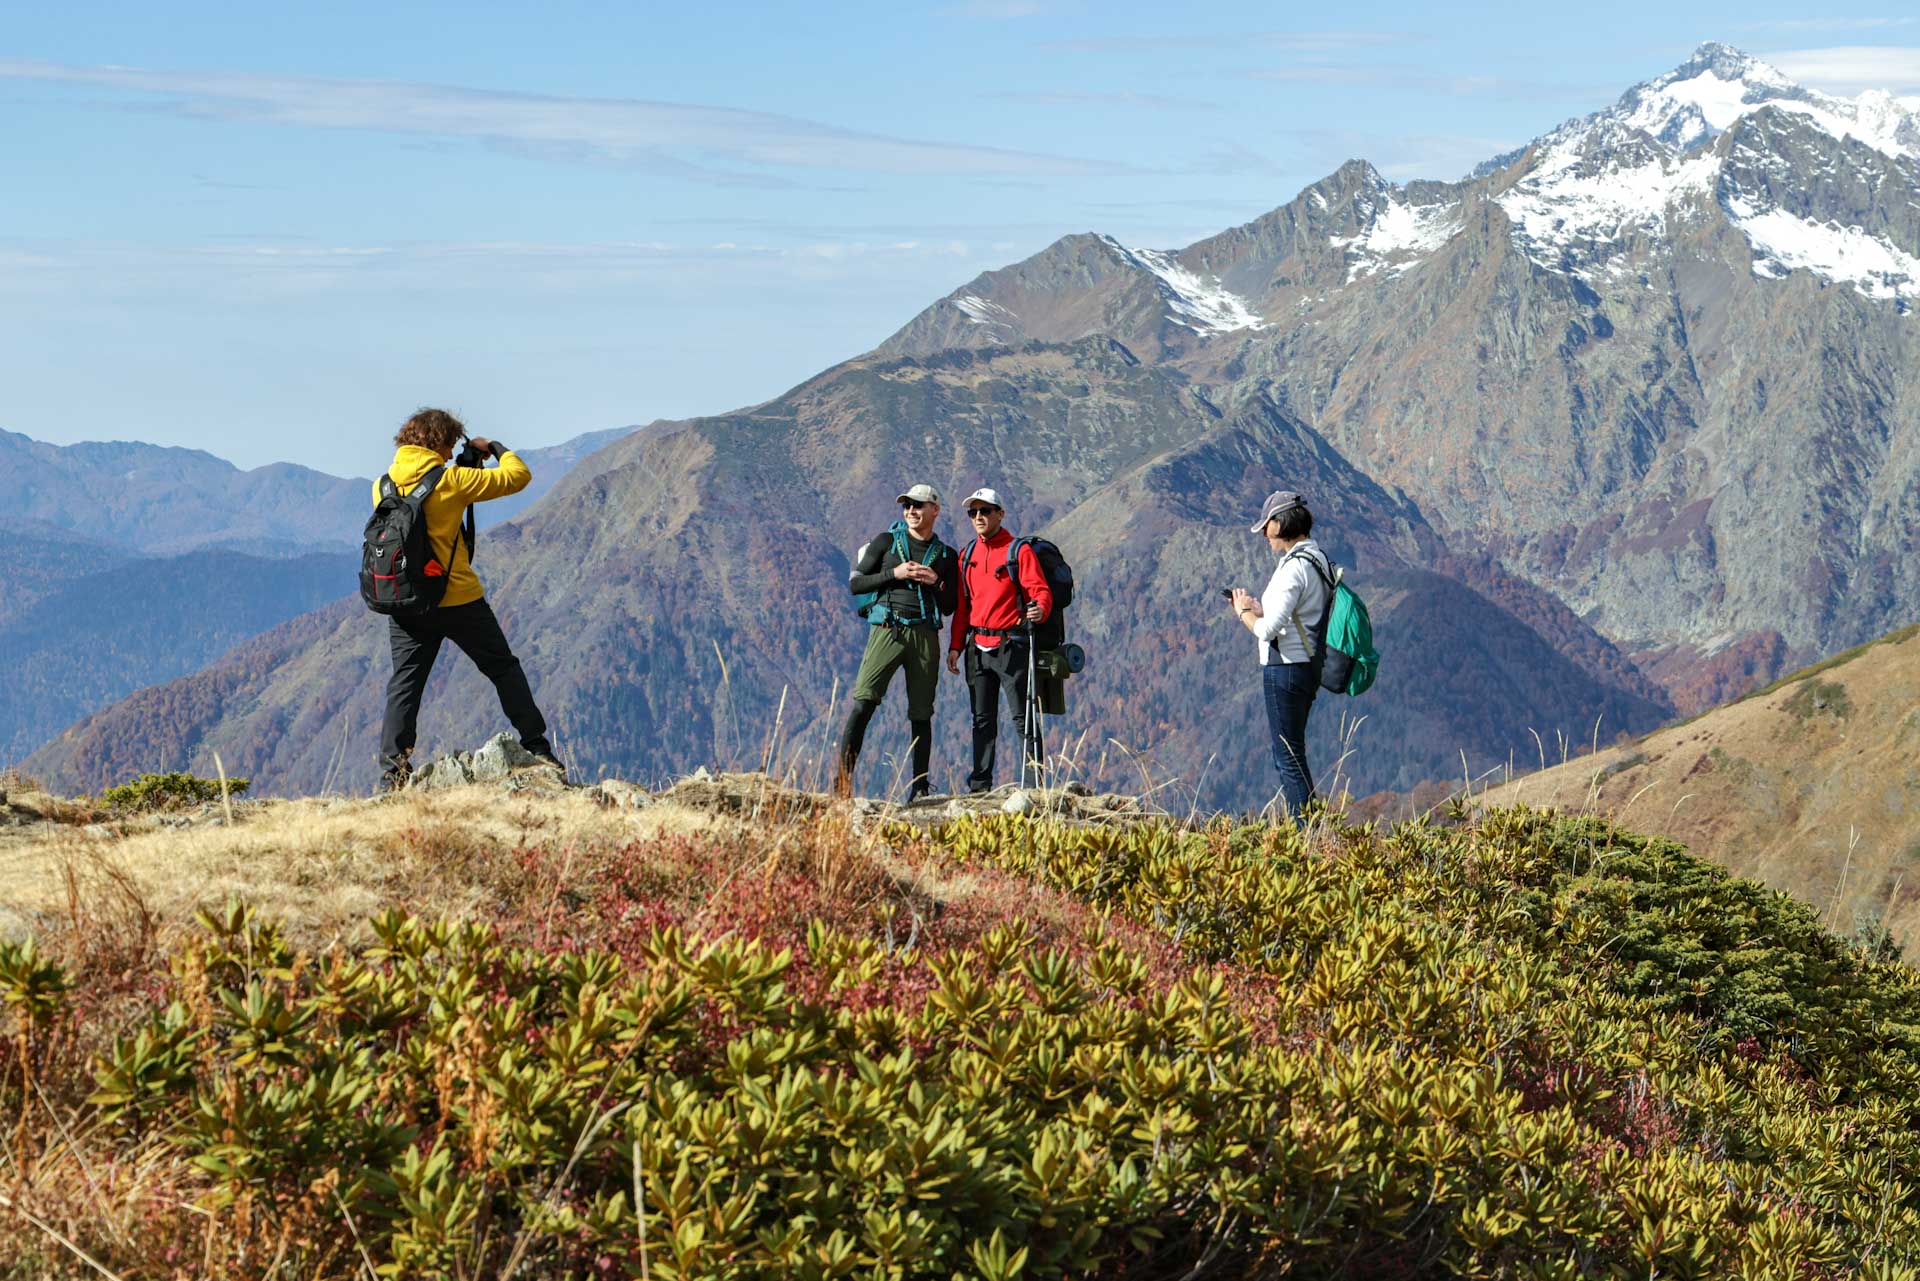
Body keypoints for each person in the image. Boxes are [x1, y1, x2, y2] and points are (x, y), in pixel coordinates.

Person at [374, 408, 561, 791]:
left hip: (406, 603)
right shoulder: (454, 480)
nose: (448, 454)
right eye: (448, 446)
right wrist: (493, 447)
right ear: (440, 442)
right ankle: (537, 748)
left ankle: (392, 778)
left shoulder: (382, 485)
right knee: (503, 669)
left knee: (405, 687)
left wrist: (462, 465)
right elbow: (518, 476)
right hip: (458, 599)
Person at [835, 483, 961, 801]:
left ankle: (919, 790)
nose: (911, 511)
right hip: (887, 630)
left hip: (925, 635)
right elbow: (856, 583)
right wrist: (896, 573)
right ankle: (841, 786)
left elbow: (949, 605)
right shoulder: (887, 542)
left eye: (918, 505)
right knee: (863, 702)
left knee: (921, 713)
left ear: (935, 510)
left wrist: (936, 582)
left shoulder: (946, 555)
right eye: (906, 505)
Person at [1229, 490, 1332, 816]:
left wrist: (1242, 612)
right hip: (1308, 664)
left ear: (1281, 523)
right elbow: (1299, 612)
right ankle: (1311, 827)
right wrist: (1262, 609)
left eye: (1267, 525)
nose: (1263, 533)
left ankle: (1306, 833)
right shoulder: (1318, 559)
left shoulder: (1293, 568)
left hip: (1284, 668)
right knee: (1294, 751)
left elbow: (1266, 631)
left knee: (1287, 755)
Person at [946, 487, 1052, 793]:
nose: (978, 517)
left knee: (1024, 718)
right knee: (982, 719)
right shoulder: (967, 555)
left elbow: (1039, 589)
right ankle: (980, 786)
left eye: (985, 511)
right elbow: (963, 607)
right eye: (973, 512)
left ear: (1000, 514)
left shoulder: (1018, 552)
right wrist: (955, 646)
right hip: (976, 648)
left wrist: (1041, 610)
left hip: (1012, 645)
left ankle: (1033, 786)